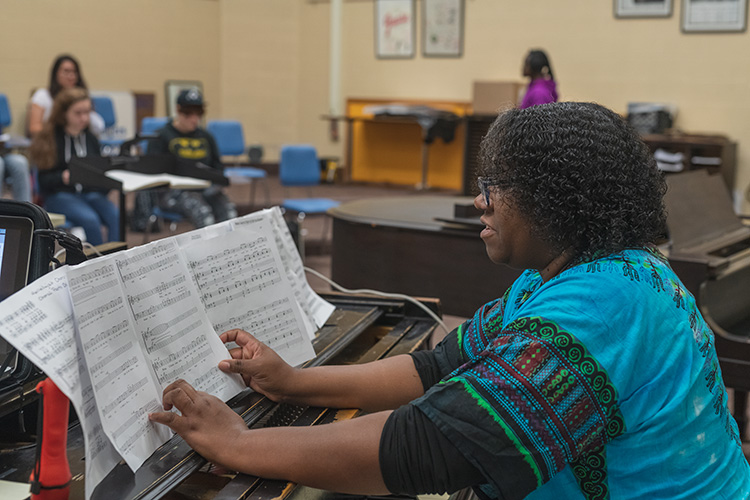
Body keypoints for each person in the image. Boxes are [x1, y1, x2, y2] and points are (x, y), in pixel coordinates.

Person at [149, 103, 750, 499]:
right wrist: (291, 382)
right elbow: (437, 366)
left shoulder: (602, 308)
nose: (479, 202)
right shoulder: (573, 275)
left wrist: (239, 444)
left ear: (555, 202)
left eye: (494, 187)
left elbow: (434, 446)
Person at [29, 88, 118, 246]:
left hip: (90, 193)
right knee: (91, 220)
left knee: (116, 215)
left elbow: (101, 177)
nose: (84, 118)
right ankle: (96, 265)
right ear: (64, 114)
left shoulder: (91, 138)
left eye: (87, 112)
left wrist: (104, 180)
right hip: (60, 195)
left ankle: (116, 257)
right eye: (78, 113)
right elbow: (43, 182)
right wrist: (62, 177)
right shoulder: (50, 138)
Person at [144, 88, 236, 228]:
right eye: (188, 113)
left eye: (198, 113)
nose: (194, 119)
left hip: (205, 189)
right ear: (178, 110)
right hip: (174, 192)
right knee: (203, 215)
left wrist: (217, 181)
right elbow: (153, 171)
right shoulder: (161, 136)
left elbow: (217, 167)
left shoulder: (206, 137)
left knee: (230, 216)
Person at [27, 54, 105, 137]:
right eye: (66, 71)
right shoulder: (42, 95)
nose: (71, 76)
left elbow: (98, 126)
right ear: (56, 73)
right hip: (51, 141)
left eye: (74, 72)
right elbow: (34, 128)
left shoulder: (81, 97)